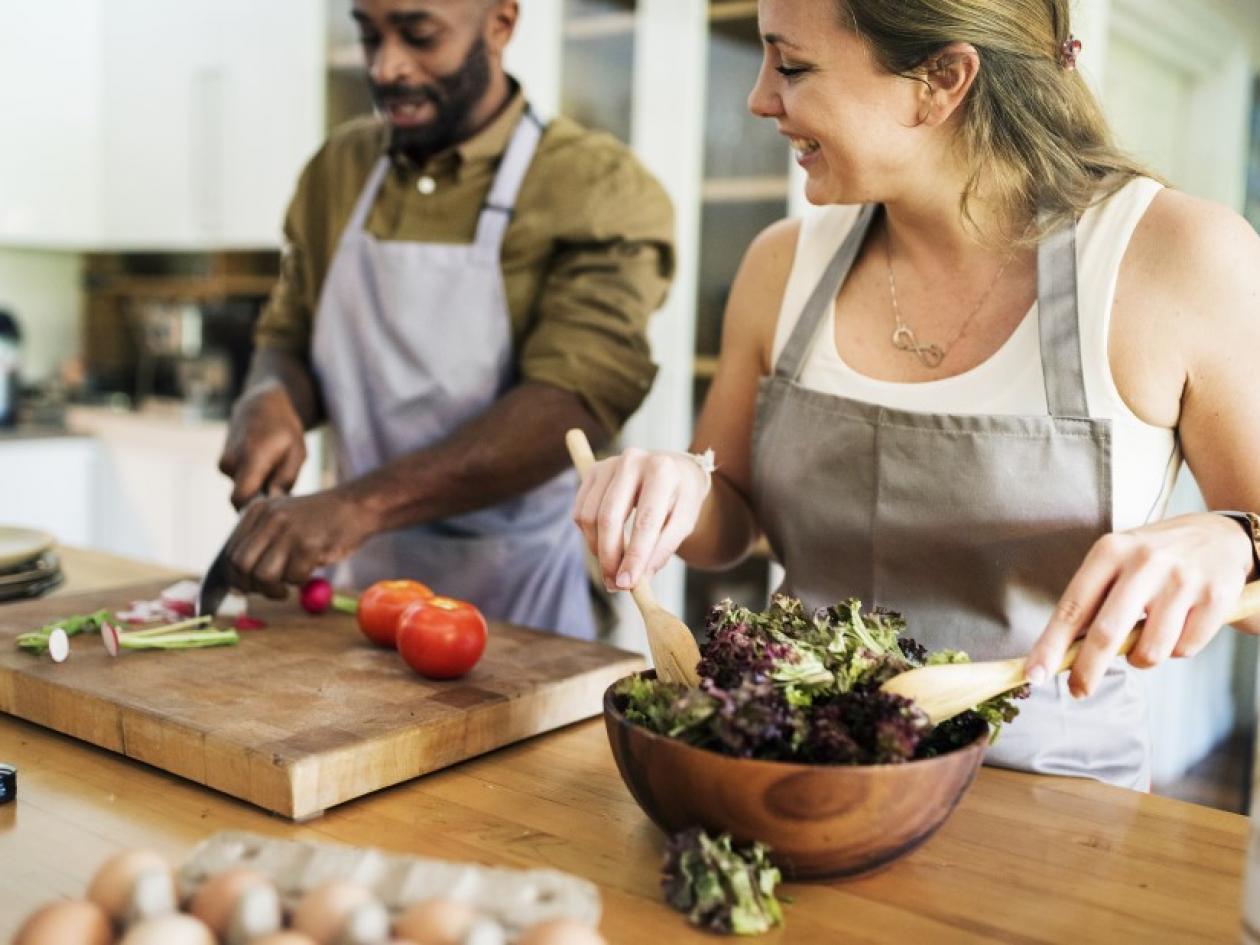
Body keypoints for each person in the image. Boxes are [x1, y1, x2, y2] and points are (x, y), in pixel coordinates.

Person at [573, 0, 1260, 788]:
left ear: (941, 79)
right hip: (804, 782)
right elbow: (729, 522)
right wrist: (676, 488)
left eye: (791, 65)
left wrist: (1238, 540)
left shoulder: (1180, 257)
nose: (759, 97)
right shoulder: (780, 265)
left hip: (1057, 811)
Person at [217, 0, 675, 639]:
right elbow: (290, 332)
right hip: (363, 585)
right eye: (369, 35)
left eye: (419, 35)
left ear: (501, 23)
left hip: (524, 595)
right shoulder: (339, 171)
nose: (387, 67)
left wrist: (356, 506)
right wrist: (271, 395)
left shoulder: (595, 186)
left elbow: (573, 401)